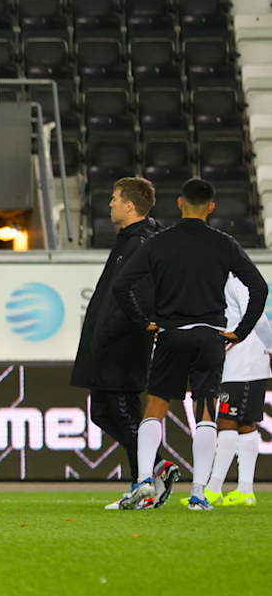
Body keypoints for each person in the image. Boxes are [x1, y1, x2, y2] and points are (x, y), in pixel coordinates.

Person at [112, 178, 268, 510]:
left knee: (155, 409)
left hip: (171, 334)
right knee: (206, 414)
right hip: (211, 337)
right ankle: (198, 493)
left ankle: (143, 481)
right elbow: (259, 287)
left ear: (179, 204)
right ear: (211, 207)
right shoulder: (224, 244)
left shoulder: (158, 242)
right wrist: (239, 332)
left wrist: (144, 323)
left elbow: (121, 284)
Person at [68, 178, 161, 510]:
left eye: (114, 198)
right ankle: (156, 469)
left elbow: (139, 299)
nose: (109, 204)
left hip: (123, 347)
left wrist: (109, 333)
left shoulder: (142, 243)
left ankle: (145, 484)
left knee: (123, 416)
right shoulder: (129, 241)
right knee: (103, 414)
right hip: (109, 346)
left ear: (130, 206)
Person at [183, 273, 269, 507]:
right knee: (244, 423)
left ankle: (214, 488)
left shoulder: (235, 280)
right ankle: (245, 490)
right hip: (238, 364)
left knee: (226, 422)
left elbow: (258, 317)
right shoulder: (215, 281)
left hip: (245, 362)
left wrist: (270, 349)